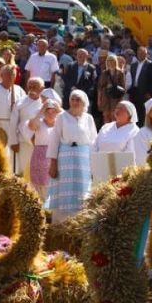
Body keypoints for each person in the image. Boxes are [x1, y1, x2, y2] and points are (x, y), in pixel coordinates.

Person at [47, 90, 99, 223]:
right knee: (64, 190)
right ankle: (60, 225)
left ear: (84, 102)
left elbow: (93, 142)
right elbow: (54, 140)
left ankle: (79, 223)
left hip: (83, 160)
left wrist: (94, 166)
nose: (75, 102)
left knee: (82, 191)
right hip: (65, 158)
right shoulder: (62, 117)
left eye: (78, 99)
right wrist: (53, 163)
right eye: (73, 99)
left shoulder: (89, 118)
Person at [9, 78, 46, 178]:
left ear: (42, 88)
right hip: (23, 142)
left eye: (35, 87)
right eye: (30, 86)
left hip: (40, 143)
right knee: (23, 170)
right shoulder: (20, 102)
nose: (32, 89)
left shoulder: (45, 103)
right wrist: (13, 141)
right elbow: (13, 123)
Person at [28, 98, 62, 200]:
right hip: (39, 159)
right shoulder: (39, 122)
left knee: (54, 185)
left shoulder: (60, 124)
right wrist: (41, 110)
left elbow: (69, 119)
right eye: (48, 111)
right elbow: (31, 126)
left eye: (53, 111)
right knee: (39, 189)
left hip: (55, 158)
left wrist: (59, 109)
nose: (51, 114)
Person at [97, 55, 125, 123]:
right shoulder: (104, 73)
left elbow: (123, 87)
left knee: (114, 115)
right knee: (106, 115)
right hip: (105, 97)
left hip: (116, 97)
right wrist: (99, 99)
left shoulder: (120, 73)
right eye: (109, 60)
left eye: (112, 60)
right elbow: (100, 87)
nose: (110, 62)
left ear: (115, 61)